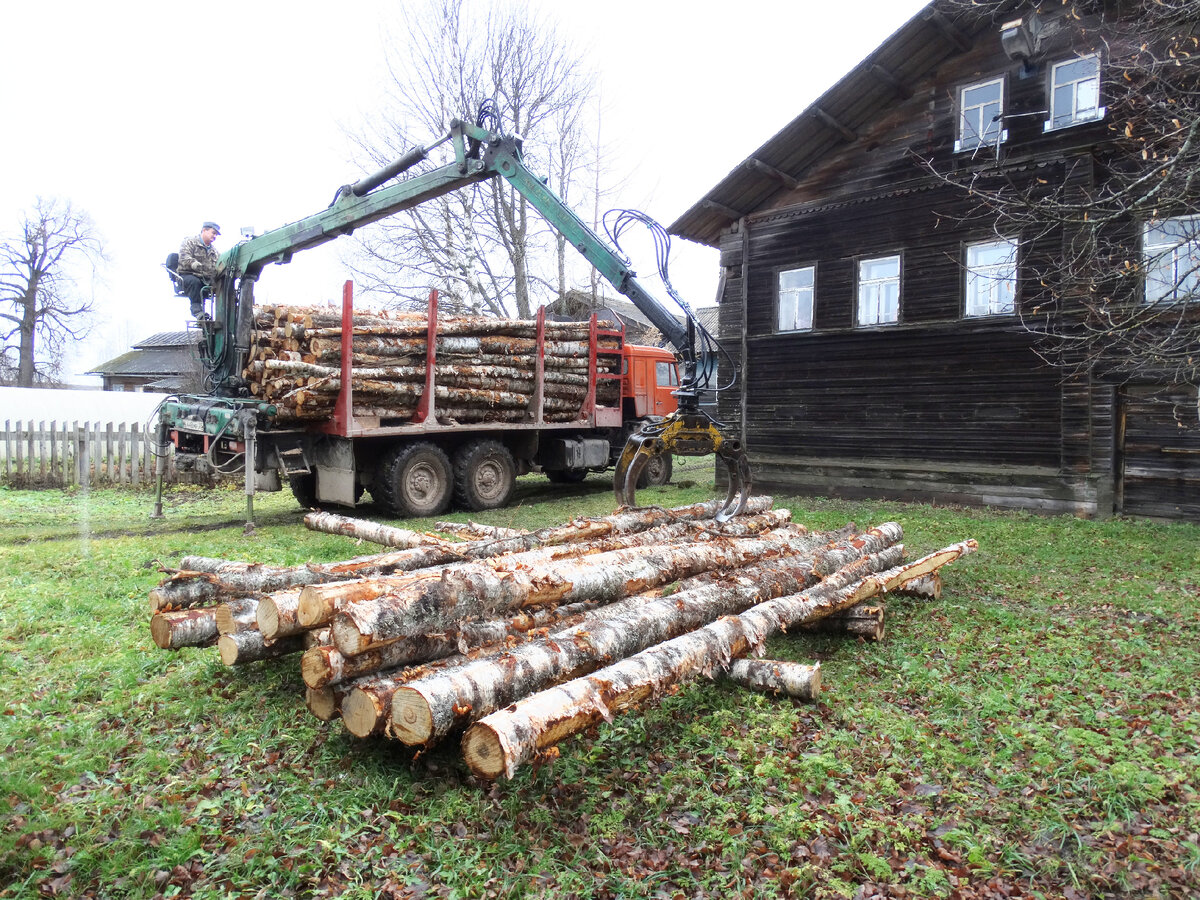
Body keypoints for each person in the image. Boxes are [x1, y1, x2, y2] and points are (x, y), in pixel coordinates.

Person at [177, 221, 221, 319]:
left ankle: (223, 315)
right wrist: (194, 264)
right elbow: (184, 257)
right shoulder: (190, 242)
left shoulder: (215, 252)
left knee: (223, 285)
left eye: (216, 235)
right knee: (195, 282)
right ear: (204, 230)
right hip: (187, 275)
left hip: (205, 278)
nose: (214, 236)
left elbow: (220, 265)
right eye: (213, 233)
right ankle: (196, 310)